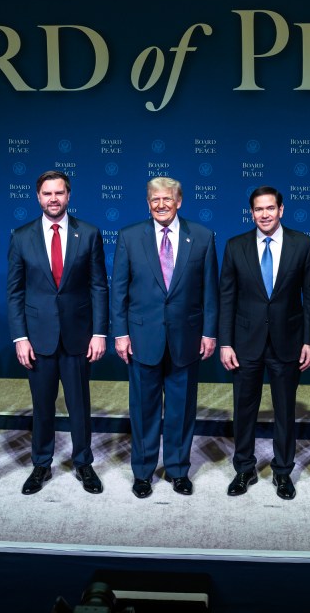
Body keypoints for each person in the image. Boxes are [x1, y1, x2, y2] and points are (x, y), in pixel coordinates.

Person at [111, 177, 218, 498]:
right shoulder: (129, 237)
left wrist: (209, 332)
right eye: (155, 199)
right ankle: (142, 472)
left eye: (167, 199)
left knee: (181, 409)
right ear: (148, 203)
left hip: (186, 338)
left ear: (179, 201)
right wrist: (120, 334)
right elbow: (119, 291)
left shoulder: (201, 237)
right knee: (143, 410)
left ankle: (177, 470)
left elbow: (210, 291)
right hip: (142, 338)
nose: (161, 205)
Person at [7, 171, 108, 495]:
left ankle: (83, 463)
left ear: (69, 195)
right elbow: (15, 292)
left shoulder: (89, 233)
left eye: (59, 193)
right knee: (42, 406)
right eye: (47, 193)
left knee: (80, 406)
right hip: (37, 339)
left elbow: (98, 287)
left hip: (79, 336)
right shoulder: (21, 236)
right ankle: (41, 464)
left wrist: (99, 333)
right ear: (38, 197)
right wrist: (20, 337)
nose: (53, 198)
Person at [218, 186, 310, 500]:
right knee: (244, 409)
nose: (264, 214)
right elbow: (227, 298)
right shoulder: (235, 246)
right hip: (245, 342)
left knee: (285, 411)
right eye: (258, 209)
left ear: (281, 210)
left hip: (288, 341)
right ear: (251, 212)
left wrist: (309, 341)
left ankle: (283, 471)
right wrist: (225, 343)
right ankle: (244, 468)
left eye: (270, 208)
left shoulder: (303, 244)